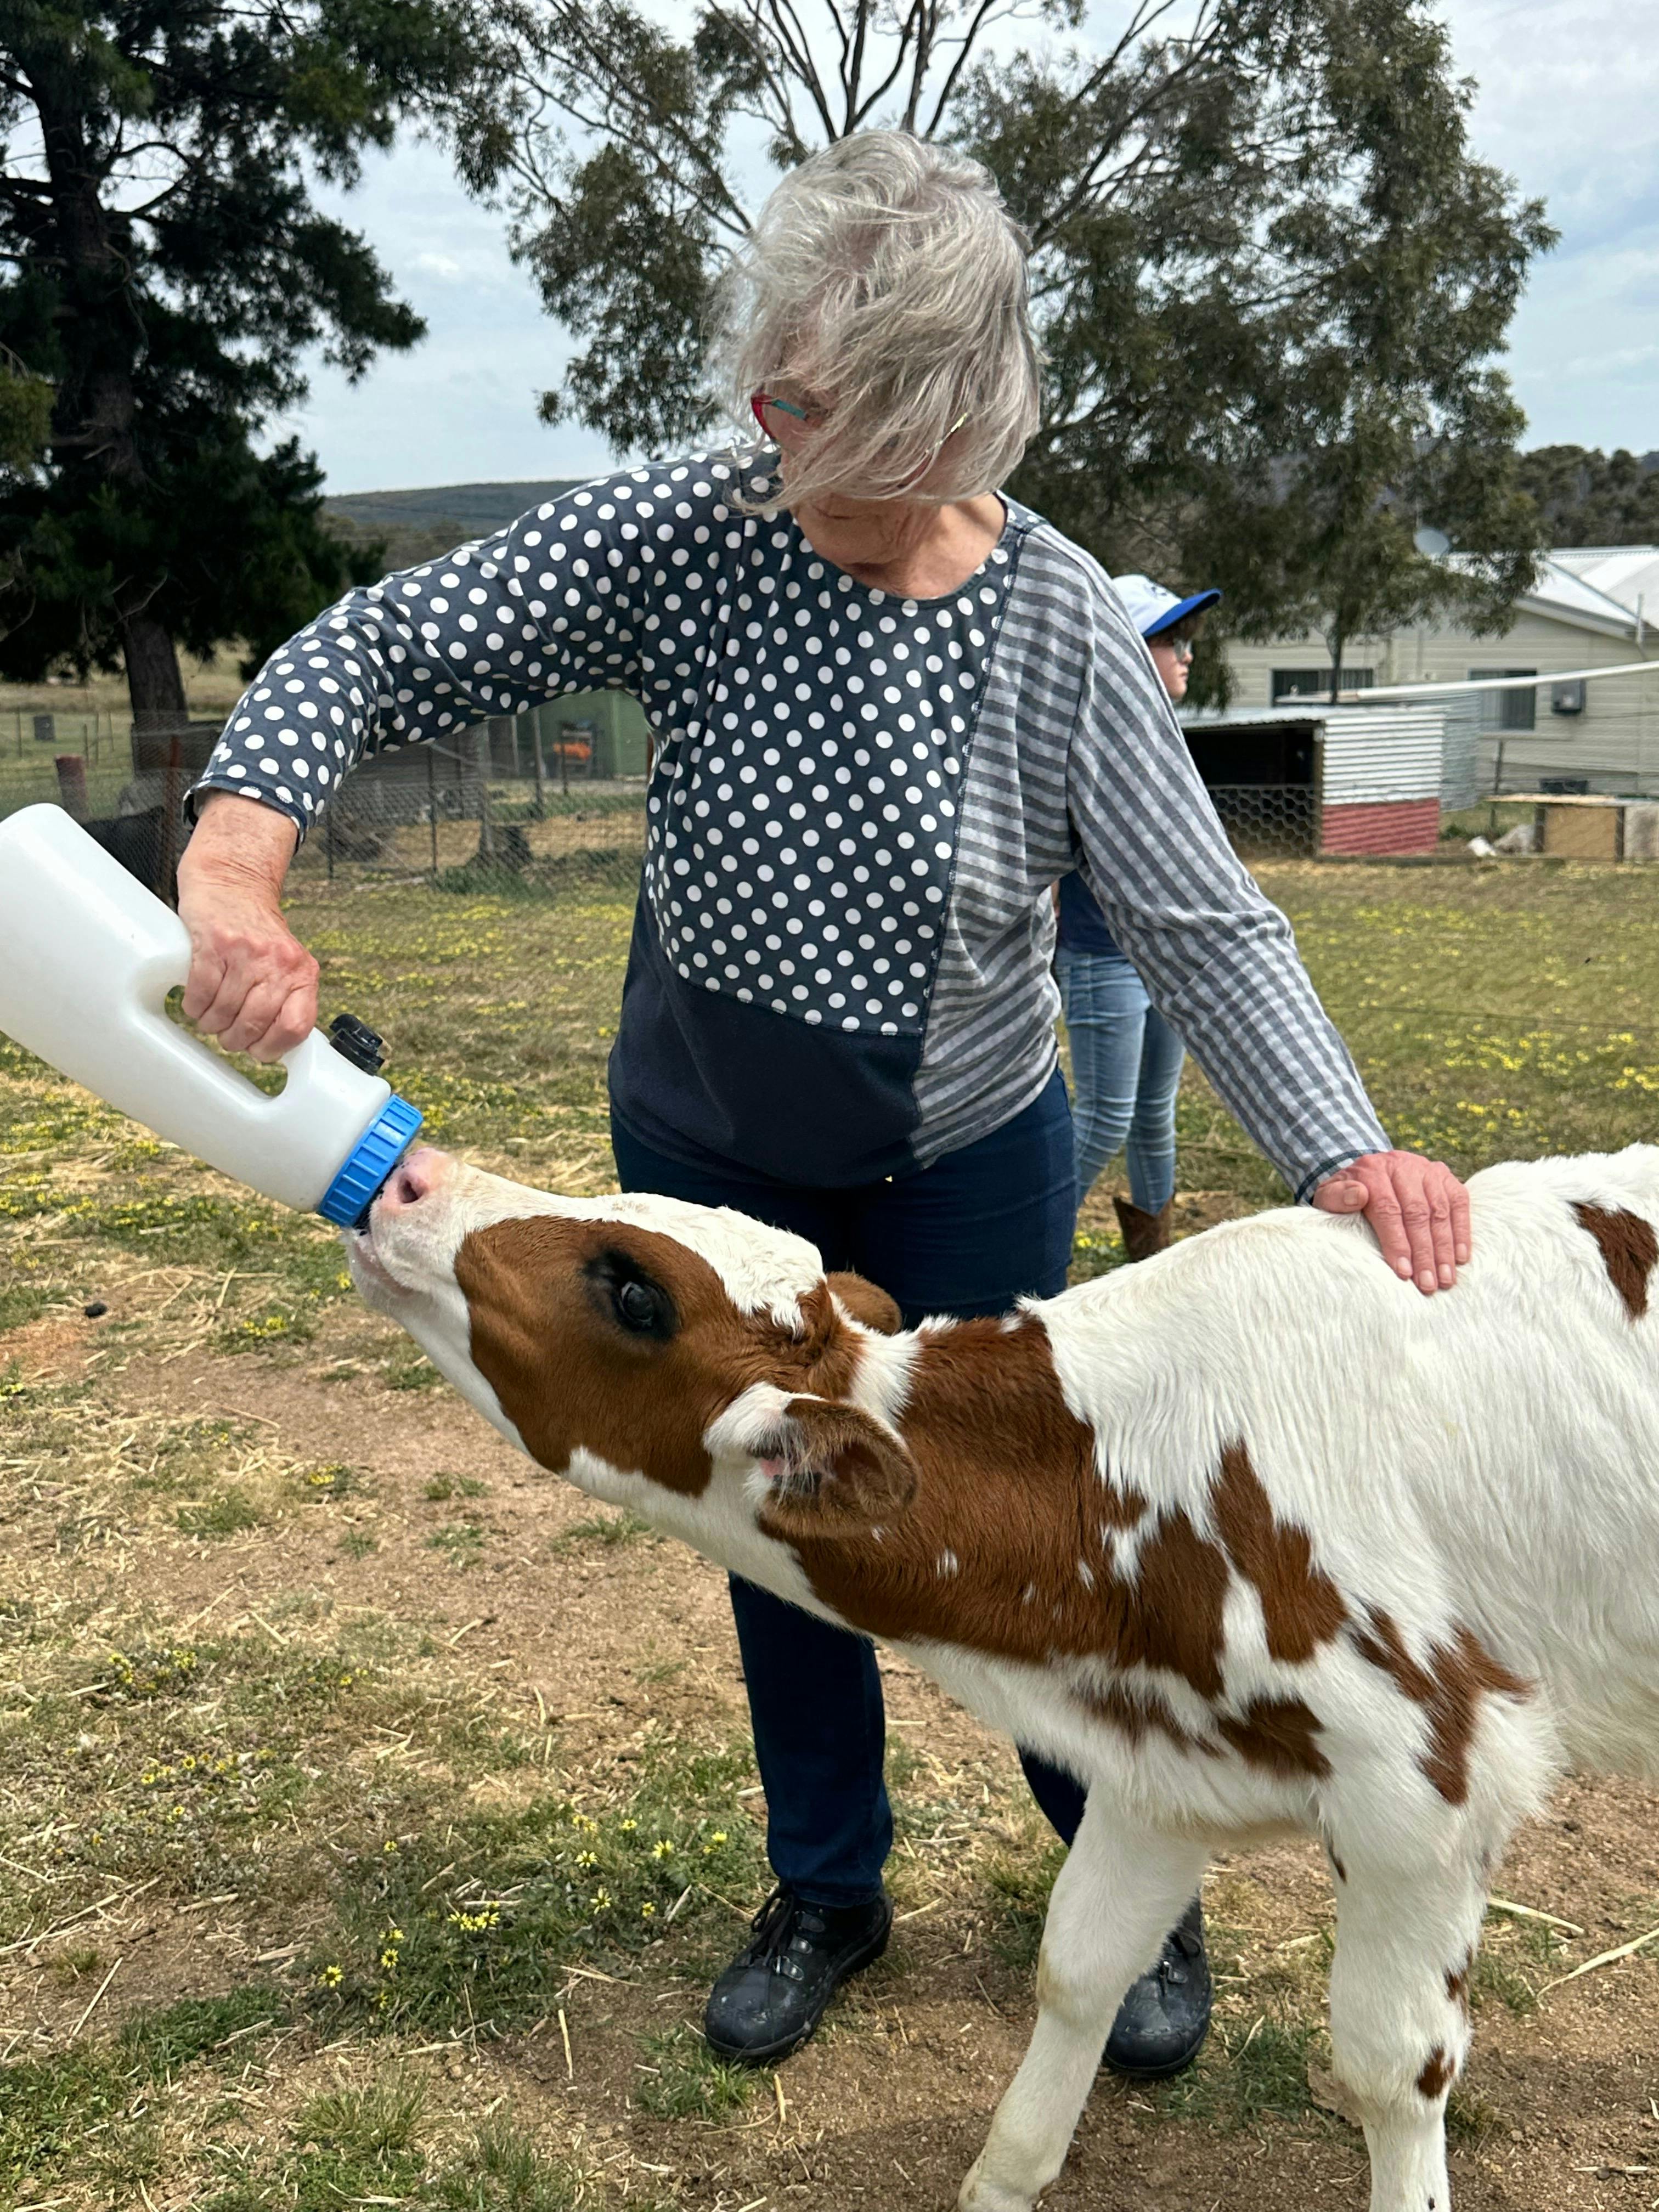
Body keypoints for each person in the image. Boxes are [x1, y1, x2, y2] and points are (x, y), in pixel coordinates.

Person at [174, 131, 1470, 2088]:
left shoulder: (1051, 628)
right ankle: (823, 1883)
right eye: (776, 413)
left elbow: (1197, 918)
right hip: (703, 1151)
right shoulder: (700, 524)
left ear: (963, 430)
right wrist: (235, 856)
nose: (792, 473)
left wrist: (1337, 1143)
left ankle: (1119, 1886)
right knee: (773, 1526)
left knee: (1041, 1529)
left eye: (841, 442)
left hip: (965, 1163)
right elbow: (387, 641)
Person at [1056, 572, 1216, 1261]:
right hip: (1100, 958)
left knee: (1155, 1117)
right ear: (1122, 646)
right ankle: (1026, 1244)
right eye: (1169, 638)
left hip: (1159, 962)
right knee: (1104, 1119)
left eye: (1186, 637)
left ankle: (1155, 1260)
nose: (1187, 653)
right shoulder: (1092, 734)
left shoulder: (1164, 738)